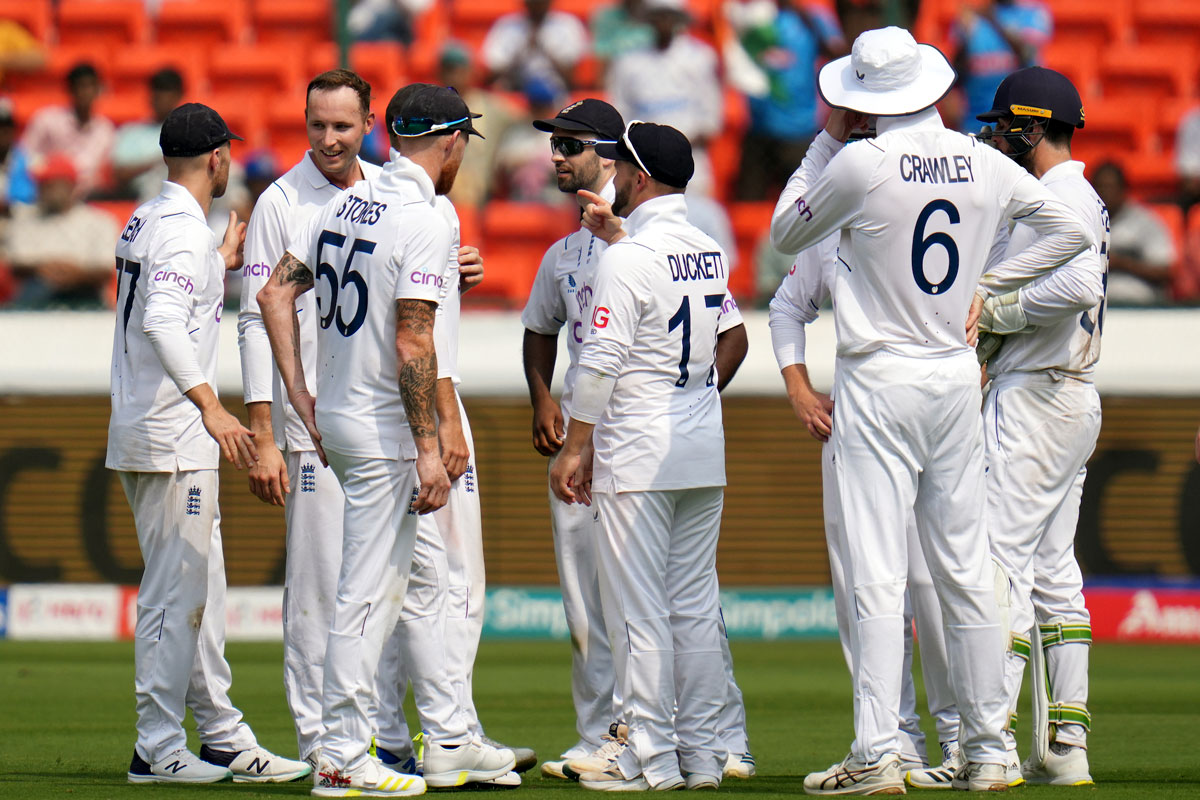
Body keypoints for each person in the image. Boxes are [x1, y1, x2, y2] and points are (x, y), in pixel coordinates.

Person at [768, 26, 1092, 794]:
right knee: (968, 568)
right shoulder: (982, 159)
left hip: (881, 377)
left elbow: (786, 235)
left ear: (863, 99)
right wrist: (993, 287)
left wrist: (823, 142)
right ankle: (988, 749)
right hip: (955, 373)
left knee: (878, 571)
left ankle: (879, 751)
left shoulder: (859, 162)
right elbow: (1072, 232)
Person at [257, 83, 514, 797]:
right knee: (368, 592)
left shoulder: (342, 202)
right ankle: (341, 754)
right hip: (381, 431)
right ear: (453, 140)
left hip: (338, 414)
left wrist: (300, 391)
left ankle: (450, 738)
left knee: (425, 583)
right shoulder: (425, 218)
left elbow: (276, 292)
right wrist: (430, 448)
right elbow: (413, 341)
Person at [107, 102, 310, 786]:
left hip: (148, 428)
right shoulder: (182, 234)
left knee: (200, 587)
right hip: (172, 436)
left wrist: (216, 263)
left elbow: (164, 303)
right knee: (176, 594)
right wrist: (212, 408)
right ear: (219, 157)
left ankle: (219, 732)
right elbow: (164, 323)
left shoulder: (147, 220)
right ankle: (157, 746)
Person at [547, 120, 737, 792]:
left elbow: (598, 362)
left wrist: (575, 447)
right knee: (691, 606)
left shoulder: (626, 257)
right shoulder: (707, 250)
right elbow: (729, 337)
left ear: (640, 176)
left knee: (638, 613)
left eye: (621, 167)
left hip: (636, 451)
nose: (614, 177)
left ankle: (649, 758)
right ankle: (704, 756)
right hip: (700, 446)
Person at [768, 237, 962, 788]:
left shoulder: (948, 192)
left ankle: (958, 739)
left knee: (933, 584)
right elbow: (786, 307)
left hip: (930, 420)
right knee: (866, 587)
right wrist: (799, 389)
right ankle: (892, 741)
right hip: (858, 424)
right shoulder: (836, 217)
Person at [237, 68, 382, 771]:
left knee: (384, 591)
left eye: (342, 126)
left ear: (367, 123)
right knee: (319, 592)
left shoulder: (386, 192)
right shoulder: (281, 201)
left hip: (378, 419)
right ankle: (322, 745)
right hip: (312, 429)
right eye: (317, 125)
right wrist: (263, 428)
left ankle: (374, 737)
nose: (329, 139)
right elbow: (254, 315)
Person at [974, 66, 1108, 787]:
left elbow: (1079, 282)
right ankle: (1066, 746)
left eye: (1003, 127)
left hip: (1036, 396)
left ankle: (988, 745)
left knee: (1000, 560)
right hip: (1071, 394)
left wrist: (997, 313)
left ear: (1032, 126)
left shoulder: (1057, 195)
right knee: (1056, 573)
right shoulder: (1079, 194)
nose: (995, 137)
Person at [729, 0, 846, 201]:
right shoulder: (753, 18)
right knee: (749, 205)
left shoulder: (812, 18)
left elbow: (841, 56)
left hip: (799, 130)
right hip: (759, 129)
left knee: (797, 204)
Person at [606, 0, 722, 195]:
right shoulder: (628, 62)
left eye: (668, 15)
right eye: (658, 16)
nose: (664, 22)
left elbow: (710, 119)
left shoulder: (701, 58)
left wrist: (674, 150)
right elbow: (620, 114)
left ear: (678, 19)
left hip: (690, 160)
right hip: (641, 162)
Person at [4, 154, 118, 309]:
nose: (45, 190)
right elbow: (15, 264)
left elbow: (105, 270)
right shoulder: (24, 218)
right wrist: (44, 268)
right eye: (41, 184)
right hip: (36, 292)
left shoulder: (99, 221)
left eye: (51, 184)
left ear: (71, 185)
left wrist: (76, 274)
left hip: (86, 294)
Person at [949, 0, 1052, 130]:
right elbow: (957, 73)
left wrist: (992, 19)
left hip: (1016, 123)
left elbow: (1027, 54)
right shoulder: (971, 17)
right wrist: (964, 36)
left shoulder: (1033, 12)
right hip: (975, 123)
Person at [20, 61, 115, 197]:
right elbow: (26, 156)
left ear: (98, 90)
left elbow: (102, 173)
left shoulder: (105, 130)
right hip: (47, 193)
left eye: (91, 86)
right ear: (70, 90)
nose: (86, 92)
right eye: (81, 86)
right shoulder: (46, 120)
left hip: (88, 198)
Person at [1090, 161, 1174, 306]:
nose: (1105, 192)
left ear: (1123, 189)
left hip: (1139, 305)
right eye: (1100, 187)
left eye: (1110, 187)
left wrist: (1121, 263)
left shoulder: (1145, 222)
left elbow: (1165, 272)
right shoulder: (1085, 222)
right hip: (1092, 305)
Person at [482, 0, 589, 96]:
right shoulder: (507, 25)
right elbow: (492, 74)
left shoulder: (567, 24)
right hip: (515, 87)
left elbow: (572, 76)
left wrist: (543, 47)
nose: (537, 5)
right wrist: (523, 50)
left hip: (555, 89)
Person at [111, 68, 186, 202]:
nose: (162, 99)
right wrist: (160, 162)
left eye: (167, 92)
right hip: (138, 195)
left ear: (178, 96)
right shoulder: (131, 132)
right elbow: (120, 173)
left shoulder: (188, 133)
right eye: (157, 92)